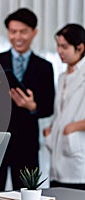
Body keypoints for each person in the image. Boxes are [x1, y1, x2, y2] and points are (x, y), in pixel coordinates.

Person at [0, 8, 55, 191]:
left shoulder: (45, 67)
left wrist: (32, 106)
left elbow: (48, 107)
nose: (17, 36)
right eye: (13, 31)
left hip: (26, 141)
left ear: (34, 32)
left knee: (27, 192)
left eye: (23, 32)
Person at [43, 24, 85, 190]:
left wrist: (72, 127)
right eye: (58, 46)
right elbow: (62, 111)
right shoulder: (62, 77)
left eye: (64, 47)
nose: (59, 51)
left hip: (78, 163)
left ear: (80, 47)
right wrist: (52, 130)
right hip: (57, 160)